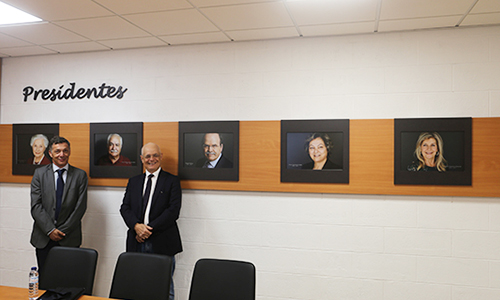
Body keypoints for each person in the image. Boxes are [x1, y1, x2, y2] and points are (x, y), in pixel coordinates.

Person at [120, 143, 182, 300]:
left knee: (164, 287)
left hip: (162, 241)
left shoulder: (172, 181)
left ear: (161, 157)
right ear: (142, 159)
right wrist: (136, 226)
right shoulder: (134, 181)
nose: (151, 159)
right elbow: (125, 208)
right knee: (136, 284)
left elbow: (173, 211)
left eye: (155, 155)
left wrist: (146, 230)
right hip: (136, 242)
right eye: (147, 156)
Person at [30, 136, 88, 272]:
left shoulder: (80, 175)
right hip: (44, 237)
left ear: (69, 152)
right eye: (57, 151)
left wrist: (62, 231)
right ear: (50, 153)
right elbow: (36, 206)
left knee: (67, 278)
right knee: (45, 278)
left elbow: (80, 207)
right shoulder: (39, 174)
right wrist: (50, 230)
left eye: (65, 151)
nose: (61, 155)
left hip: (69, 237)